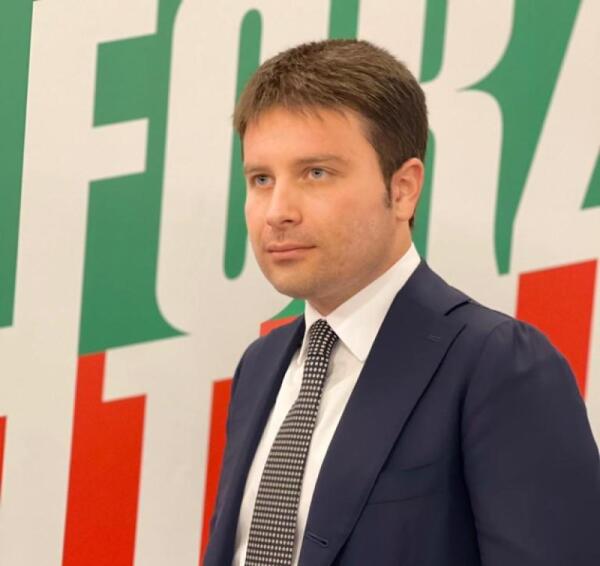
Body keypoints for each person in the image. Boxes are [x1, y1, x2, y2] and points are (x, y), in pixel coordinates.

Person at [204, 39, 600, 566]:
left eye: (316, 173)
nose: (277, 211)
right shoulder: (260, 366)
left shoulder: (497, 364)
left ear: (404, 188)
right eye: (261, 179)